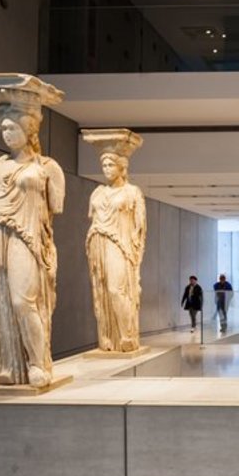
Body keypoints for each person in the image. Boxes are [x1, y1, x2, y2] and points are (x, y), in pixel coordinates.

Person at [0, 73, 65, 389]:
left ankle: (38, 364)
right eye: (4, 129)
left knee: (24, 301)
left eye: (13, 128)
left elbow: (54, 210)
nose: (7, 134)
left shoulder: (47, 168)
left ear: (29, 129)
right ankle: (10, 365)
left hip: (28, 237)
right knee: (1, 302)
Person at [84, 130, 146, 353]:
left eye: (111, 165)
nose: (107, 169)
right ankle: (107, 336)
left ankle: (127, 334)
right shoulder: (97, 193)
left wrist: (136, 258)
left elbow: (140, 230)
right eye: (104, 165)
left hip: (121, 246)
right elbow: (93, 219)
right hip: (98, 243)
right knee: (101, 291)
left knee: (116, 289)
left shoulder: (132, 193)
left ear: (122, 167)